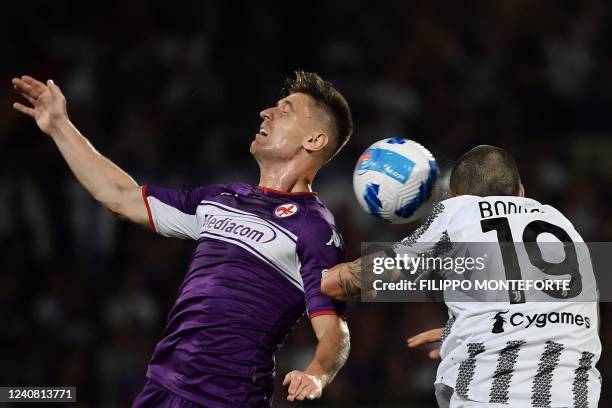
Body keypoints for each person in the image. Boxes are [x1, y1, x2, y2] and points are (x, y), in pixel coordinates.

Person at [12, 70, 352, 407]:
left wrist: (316, 374)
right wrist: (60, 126)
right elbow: (119, 196)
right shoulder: (221, 198)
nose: (267, 112)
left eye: (286, 110)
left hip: (225, 400)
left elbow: (335, 331)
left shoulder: (313, 227)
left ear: (314, 141)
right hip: (161, 387)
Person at [322, 145, 601, 407]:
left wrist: (320, 274)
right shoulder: (564, 225)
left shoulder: (459, 211)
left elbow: (365, 277)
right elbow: (585, 318)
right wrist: (468, 328)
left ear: (456, 197)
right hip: (575, 396)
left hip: (492, 397)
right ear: (521, 193)